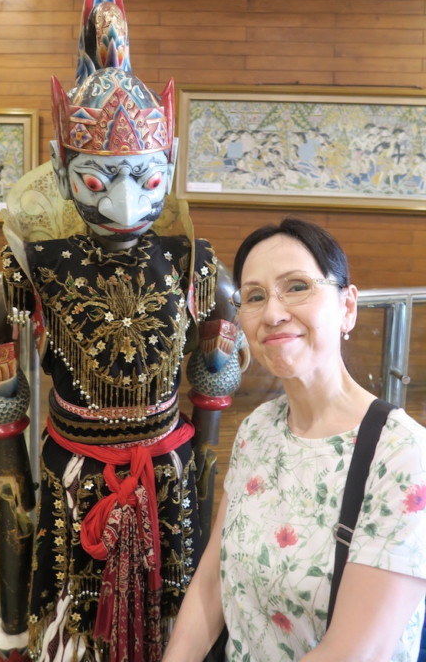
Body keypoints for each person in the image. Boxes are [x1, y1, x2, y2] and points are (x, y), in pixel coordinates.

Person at [0, 0, 246, 662]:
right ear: (63, 170)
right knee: (74, 626)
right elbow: (8, 461)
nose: (124, 205)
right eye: (96, 180)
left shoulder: (196, 265)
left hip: (168, 475)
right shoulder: (30, 267)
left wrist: (211, 393)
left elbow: (210, 416)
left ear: (167, 164)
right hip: (73, 473)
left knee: (174, 621)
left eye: (145, 179)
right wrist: (4, 424)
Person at [162, 217, 426, 662]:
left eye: (297, 287)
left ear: (347, 307)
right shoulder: (258, 430)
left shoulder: (402, 455)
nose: (272, 313)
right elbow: (212, 581)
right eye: (255, 296)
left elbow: (354, 653)